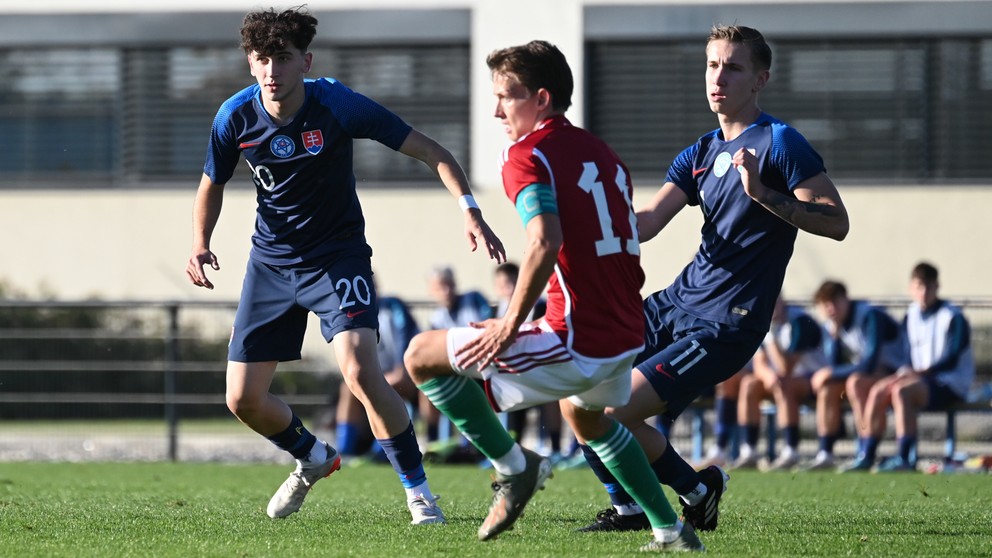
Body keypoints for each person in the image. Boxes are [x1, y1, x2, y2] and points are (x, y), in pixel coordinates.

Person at [184, 7, 505, 524]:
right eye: (262, 59)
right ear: (250, 63)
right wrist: (200, 241)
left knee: (360, 370)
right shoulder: (233, 117)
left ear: (305, 62)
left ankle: (419, 493)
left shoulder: (337, 104)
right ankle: (312, 456)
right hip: (270, 263)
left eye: (283, 59)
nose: (272, 71)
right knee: (241, 398)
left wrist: (471, 212)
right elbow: (211, 184)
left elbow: (433, 151)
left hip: (337, 258)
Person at [404, 40, 702, 552]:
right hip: (626, 331)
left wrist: (510, 323)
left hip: (579, 334)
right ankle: (671, 530)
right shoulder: (602, 153)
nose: (498, 110)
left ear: (541, 99)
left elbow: (545, 240)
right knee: (586, 418)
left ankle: (514, 467)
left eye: (507, 97)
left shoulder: (526, 154)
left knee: (420, 357)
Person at [576, 24, 849, 533]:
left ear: (760, 79)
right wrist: (588, 219)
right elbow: (647, 224)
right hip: (674, 304)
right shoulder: (699, 153)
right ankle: (667, 498)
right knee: (580, 391)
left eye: (733, 67)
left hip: (725, 323)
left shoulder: (781, 143)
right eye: (711, 64)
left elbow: (837, 223)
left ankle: (682, 494)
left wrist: (765, 195)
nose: (718, 77)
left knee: (612, 411)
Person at [857, 263, 975, 472]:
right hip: (921, 380)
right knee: (877, 390)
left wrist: (917, 373)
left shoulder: (953, 317)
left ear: (937, 286)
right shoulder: (910, 315)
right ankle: (866, 455)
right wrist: (905, 372)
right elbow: (908, 356)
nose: (924, 292)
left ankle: (904, 458)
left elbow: (952, 359)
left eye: (929, 287)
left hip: (950, 384)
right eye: (919, 286)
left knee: (902, 391)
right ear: (911, 287)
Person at [804, 280, 904, 472]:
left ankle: (866, 452)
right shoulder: (834, 325)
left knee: (855, 383)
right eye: (826, 304)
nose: (831, 308)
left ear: (846, 299)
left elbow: (869, 363)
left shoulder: (870, 316)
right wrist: (833, 339)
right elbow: (835, 364)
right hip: (870, 375)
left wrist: (830, 372)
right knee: (828, 388)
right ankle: (825, 453)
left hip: (898, 371)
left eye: (835, 301)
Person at [731, 296, 825, 471]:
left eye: (774, 302)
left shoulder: (800, 322)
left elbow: (785, 368)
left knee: (785, 384)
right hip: (780, 380)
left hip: (812, 378)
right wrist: (770, 378)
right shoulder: (759, 321)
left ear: (783, 302)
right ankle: (749, 451)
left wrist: (771, 335)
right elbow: (760, 365)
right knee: (749, 384)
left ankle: (791, 450)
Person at [334, 280, 420, 459]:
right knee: (347, 388)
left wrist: (397, 369)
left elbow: (405, 340)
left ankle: (383, 450)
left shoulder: (392, 307)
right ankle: (344, 452)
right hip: (376, 376)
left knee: (386, 384)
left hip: (404, 375)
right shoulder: (353, 314)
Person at [493, 262, 564, 461]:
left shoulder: (541, 306)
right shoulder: (494, 311)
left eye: (509, 282)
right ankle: (512, 450)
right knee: (504, 396)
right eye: (500, 283)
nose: (504, 287)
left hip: (541, 368)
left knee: (550, 397)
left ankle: (556, 448)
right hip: (512, 373)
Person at [421, 265, 493, 451]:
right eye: (440, 286)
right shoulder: (436, 318)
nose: (446, 291)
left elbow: (487, 333)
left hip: (482, 369)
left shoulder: (474, 300)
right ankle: (433, 443)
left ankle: (477, 444)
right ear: (431, 290)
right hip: (455, 371)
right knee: (427, 387)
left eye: (449, 284)